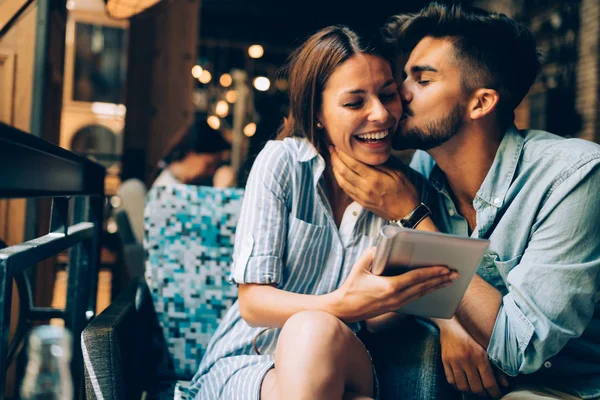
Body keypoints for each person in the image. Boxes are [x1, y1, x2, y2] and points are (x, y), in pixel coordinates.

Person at [329, 3, 600, 399]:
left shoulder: (574, 176)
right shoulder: (424, 168)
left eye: (421, 80)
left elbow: (518, 346)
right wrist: (447, 319)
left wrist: (414, 218)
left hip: (569, 388)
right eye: (405, 76)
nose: (398, 95)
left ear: (480, 102)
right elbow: (384, 303)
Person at [187, 25, 459, 400]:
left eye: (387, 95)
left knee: (315, 332)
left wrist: (398, 301)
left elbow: (382, 322)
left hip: (345, 359)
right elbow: (253, 303)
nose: (380, 114)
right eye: (354, 103)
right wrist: (341, 304)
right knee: (314, 335)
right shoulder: (282, 164)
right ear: (317, 113)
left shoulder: (411, 192)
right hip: (250, 359)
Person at [152, 117, 232, 188]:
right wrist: (219, 190)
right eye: (209, 164)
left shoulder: (177, 184)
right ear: (190, 154)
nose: (211, 172)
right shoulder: (167, 188)